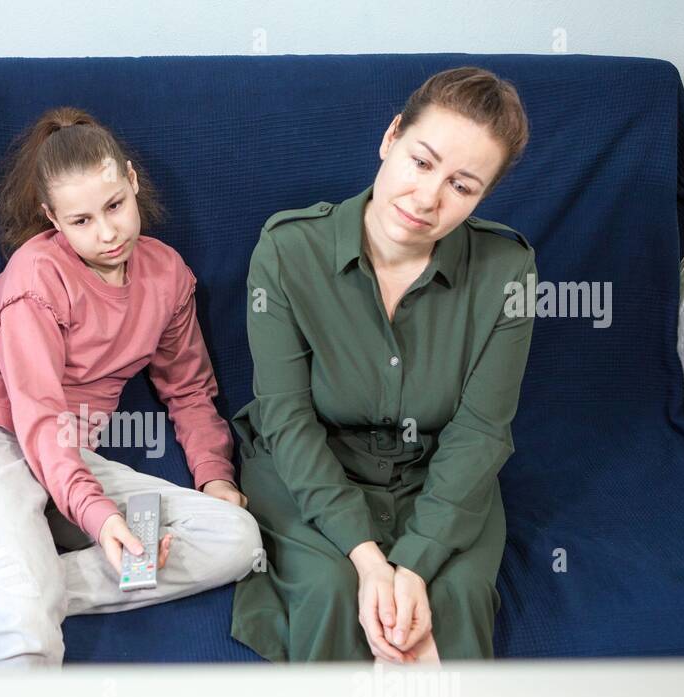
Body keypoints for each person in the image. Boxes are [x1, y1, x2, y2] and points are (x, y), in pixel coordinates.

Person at [0, 107, 262, 669]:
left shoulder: (167, 276)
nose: (108, 232)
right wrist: (99, 518)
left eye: (115, 205)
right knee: (24, 631)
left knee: (237, 538)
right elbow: (39, 420)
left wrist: (215, 478)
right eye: (81, 221)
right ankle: (13, 610)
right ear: (52, 219)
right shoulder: (35, 278)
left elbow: (188, 390)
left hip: (67, 457)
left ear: (132, 179)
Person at [230, 67, 537, 664]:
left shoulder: (509, 270)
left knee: (454, 602)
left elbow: (479, 433)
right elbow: (287, 418)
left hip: (437, 473)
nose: (428, 199)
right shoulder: (287, 250)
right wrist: (370, 560)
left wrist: (416, 564)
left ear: (483, 197)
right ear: (391, 137)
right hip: (311, 466)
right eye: (421, 162)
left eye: (462, 186)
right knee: (332, 593)